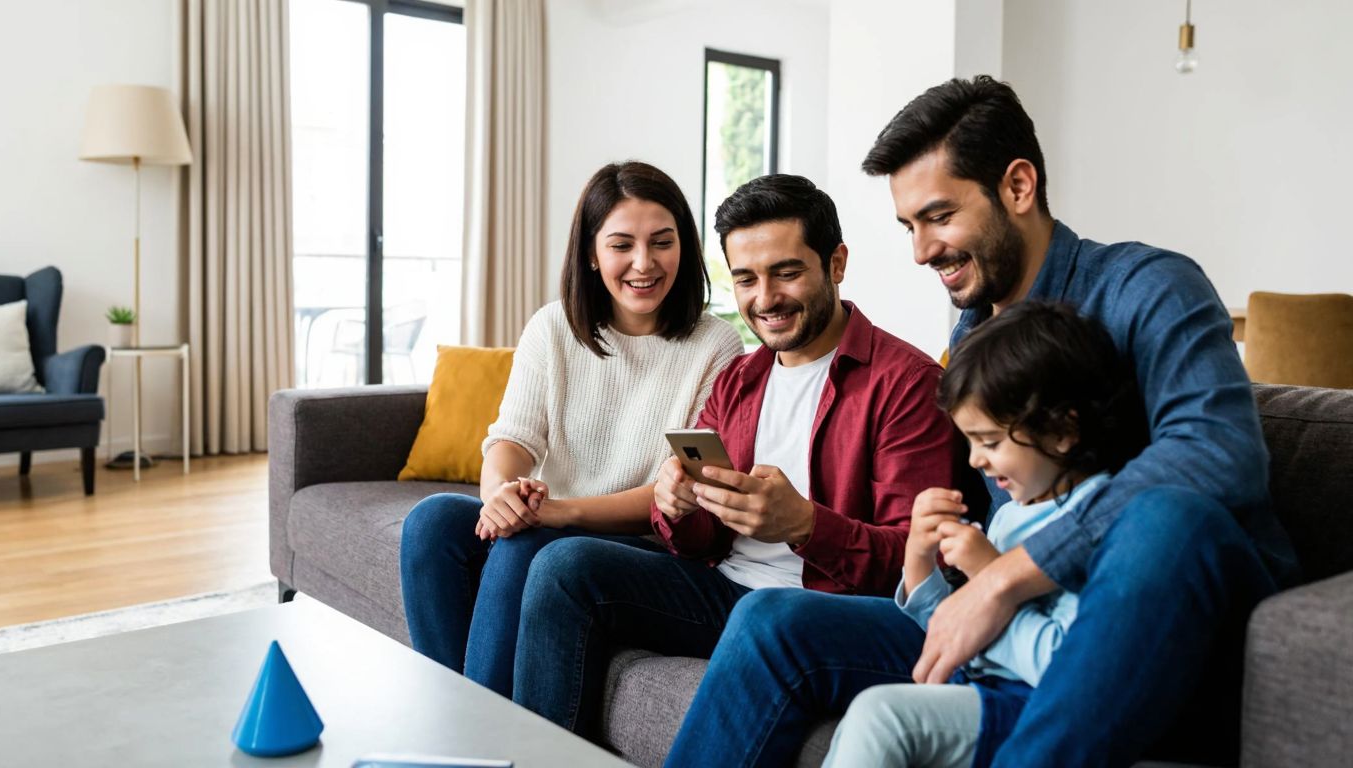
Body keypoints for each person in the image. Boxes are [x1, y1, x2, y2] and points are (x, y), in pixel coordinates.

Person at [663, 75, 1298, 768]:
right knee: (771, 621)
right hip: (1017, 634)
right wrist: (932, 578)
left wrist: (1006, 579)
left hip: (1157, 621)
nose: (920, 250)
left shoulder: (1147, 288)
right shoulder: (970, 344)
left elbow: (1218, 454)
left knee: (1168, 517)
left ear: (1018, 187)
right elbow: (969, 539)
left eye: (938, 217)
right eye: (910, 226)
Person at [508, 174, 962, 738]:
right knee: (563, 566)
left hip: (820, 607)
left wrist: (806, 525)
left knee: (763, 613)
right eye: (745, 279)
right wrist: (676, 508)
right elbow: (699, 541)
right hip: (721, 588)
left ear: (836, 264)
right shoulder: (740, 380)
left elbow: (918, 564)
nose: (764, 299)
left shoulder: (907, 384)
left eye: (787, 273)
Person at [398, 160, 743, 697]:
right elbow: (512, 439)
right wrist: (500, 497)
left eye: (662, 242)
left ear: (685, 247)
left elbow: (676, 491)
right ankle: (451, 716)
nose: (643, 263)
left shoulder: (716, 346)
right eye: (621, 244)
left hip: (638, 545)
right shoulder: (553, 325)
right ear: (590, 252)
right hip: (549, 519)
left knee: (526, 541)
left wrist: (555, 513)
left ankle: (478, 737)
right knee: (433, 521)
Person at [823, 301, 1147, 768]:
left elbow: (1067, 662)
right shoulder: (1014, 514)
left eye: (990, 442)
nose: (974, 460)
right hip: (979, 689)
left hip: (1039, 707)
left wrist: (991, 573)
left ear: (1062, 430)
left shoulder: (1099, 521)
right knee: (870, 712)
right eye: (970, 441)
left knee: (883, 715)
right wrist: (918, 562)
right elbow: (957, 634)